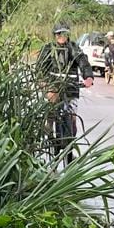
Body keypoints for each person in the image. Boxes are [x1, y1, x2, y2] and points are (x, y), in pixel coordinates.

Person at [37, 23, 93, 153]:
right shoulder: (48, 49)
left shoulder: (74, 48)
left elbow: (83, 62)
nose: (61, 36)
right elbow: (40, 67)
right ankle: (49, 132)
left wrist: (88, 77)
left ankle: (71, 139)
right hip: (53, 86)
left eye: (64, 34)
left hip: (71, 87)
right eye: (58, 34)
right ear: (54, 35)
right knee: (51, 110)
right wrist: (42, 81)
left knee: (73, 117)